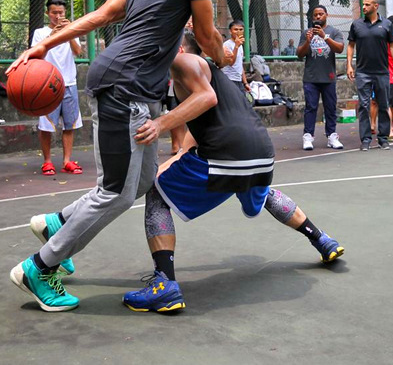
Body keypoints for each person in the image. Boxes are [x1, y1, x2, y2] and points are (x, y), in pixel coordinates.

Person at [8, 0, 229, 312]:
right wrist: (223, 55)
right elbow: (204, 32)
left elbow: (99, 16)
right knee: (115, 192)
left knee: (138, 183)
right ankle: (39, 267)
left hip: (128, 84)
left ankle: (56, 223)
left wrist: (43, 44)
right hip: (126, 85)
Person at [122, 32, 344, 312]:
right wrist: (179, 156)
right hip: (261, 155)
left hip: (226, 154)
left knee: (157, 192)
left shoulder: (184, 62)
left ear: (179, 48)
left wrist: (160, 124)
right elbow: (200, 120)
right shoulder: (212, 74)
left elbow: (206, 99)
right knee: (260, 193)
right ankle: (321, 238)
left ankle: (164, 284)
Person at [31, 0, 84, 176]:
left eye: (61, 13)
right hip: (47, 84)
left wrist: (68, 33)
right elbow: (37, 52)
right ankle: (47, 161)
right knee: (46, 125)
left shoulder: (72, 30)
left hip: (69, 82)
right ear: (48, 13)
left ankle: (67, 160)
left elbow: (78, 52)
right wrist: (54, 34)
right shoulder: (40, 32)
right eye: (54, 13)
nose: (58, 16)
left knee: (69, 125)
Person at [346, 0, 393, 151]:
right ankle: (365, 139)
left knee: (384, 105)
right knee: (363, 106)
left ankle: (383, 138)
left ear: (376, 6)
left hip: (382, 72)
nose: (363, 7)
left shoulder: (387, 24)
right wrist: (349, 65)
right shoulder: (356, 25)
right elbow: (350, 46)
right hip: (363, 72)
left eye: (367, 5)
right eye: (363, 4)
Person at [297, 5, 345, 150]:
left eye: (321, 14)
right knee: (310, 107)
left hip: (328, 77)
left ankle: (331, 136)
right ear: (312, 17)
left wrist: (325, 37)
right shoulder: (306, 32)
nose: (318, 17)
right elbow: (299, 54)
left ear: (326, 15)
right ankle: (308, 137)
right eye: (315, 15)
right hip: (311, 77)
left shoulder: (334, 32)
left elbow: (340, 48)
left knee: (330, 107)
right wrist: (307, 41)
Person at [221, 20, 250, 94]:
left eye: (240, 29)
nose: (238, 32)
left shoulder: (240, 45)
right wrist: (236, 47)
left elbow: (240, 65)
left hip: (238, 80)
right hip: (229, 79)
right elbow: (231, 63)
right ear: (230, 31)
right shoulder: (227, 45)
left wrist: (245, 83)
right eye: (235, 29)